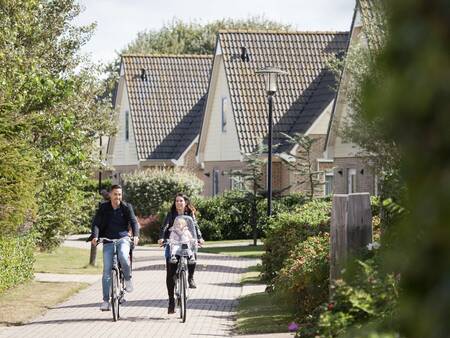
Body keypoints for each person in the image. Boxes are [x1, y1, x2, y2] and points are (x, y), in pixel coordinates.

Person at [90, 184, 139, 311]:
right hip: (108, 240)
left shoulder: (127, 207)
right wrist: (95, 236)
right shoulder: (103, 207)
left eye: (120, 194)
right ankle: (106, 301)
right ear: (110, 195)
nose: (118, 197)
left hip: (123, 238)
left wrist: (136, 235)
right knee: (106, 271)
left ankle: (127, 279)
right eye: (115, 194)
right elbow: (96, 223)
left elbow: (133, 222)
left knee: (123, 256)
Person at [158, 193, 204, 314]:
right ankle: (171, 302)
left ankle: (190, 278)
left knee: (192, 253)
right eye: (177, 201)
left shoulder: (190, 214)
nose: (179, 203)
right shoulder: (171, 214)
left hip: (186, 241)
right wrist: (162, 238)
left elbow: (195, 226)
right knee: (170, 273)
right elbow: (165, 226)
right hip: (173, 242)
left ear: (185, 203)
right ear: (175, 203)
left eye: (181, 201)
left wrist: (199, 238)